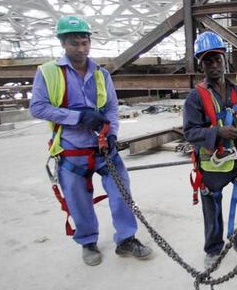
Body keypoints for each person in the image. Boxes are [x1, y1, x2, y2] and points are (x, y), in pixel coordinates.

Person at [30, 15, 153, 266]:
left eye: (84, 42)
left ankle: (126, 239)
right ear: (63, 43)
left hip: (103, 148)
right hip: (72, 149)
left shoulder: (100, 73)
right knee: (78, 199)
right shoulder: (49, 73)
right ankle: (87, 241)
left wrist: (113, 132)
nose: (81, 48)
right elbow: (38, 108)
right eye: (74, 43)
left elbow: (110, 107)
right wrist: (78, 117)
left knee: (121, 191)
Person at [183, 31, 237, 270]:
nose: (214, 65)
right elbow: (190, 132)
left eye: (218, 59)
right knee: (213, 208)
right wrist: (218, 133)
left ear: (225, 59)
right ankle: (214, 248)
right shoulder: (195, 98)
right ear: (202, 64)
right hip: (213, 163)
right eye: (208, 61)